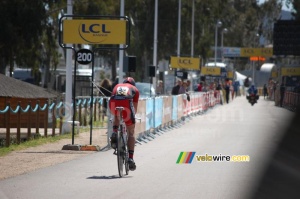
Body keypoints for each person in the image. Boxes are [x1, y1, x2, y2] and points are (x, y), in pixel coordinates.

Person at [108, 77, 140, 171]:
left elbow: (112, 96)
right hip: (126, 103)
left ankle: (114, 131)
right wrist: (131, 120)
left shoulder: (117, 86)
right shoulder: (135, 90)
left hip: (113, 103)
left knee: (117, 115)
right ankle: (130, 157)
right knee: (131, 132)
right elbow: (135, 109)